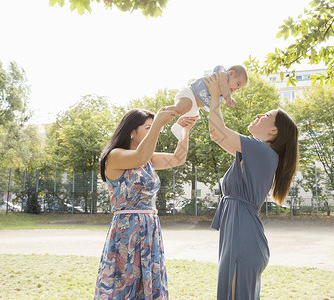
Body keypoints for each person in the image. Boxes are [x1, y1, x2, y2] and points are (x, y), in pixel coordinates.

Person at [204, 74, 299, 300]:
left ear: (274, 131)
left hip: (242, 236)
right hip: (239, 233)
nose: (258, 115)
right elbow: (216, 135)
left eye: (266, 115)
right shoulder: (257, 153)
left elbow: (219, 130)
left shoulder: (261, 150)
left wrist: (216, 94)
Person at [94, 107, 198, 299]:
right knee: (123, 283)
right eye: (147, 128)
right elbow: (139, 156)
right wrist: (158, 122)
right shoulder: (115, 155)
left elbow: (178, 159)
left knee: (148, 283)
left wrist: (185, 132)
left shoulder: (147, 159)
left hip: (150, 228)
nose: (152, 131)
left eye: (152, 127)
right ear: (132, 132)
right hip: (127, 230)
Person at [168, 65, 248, 140]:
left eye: (238, 88)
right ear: (231, 73)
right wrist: (228, 98)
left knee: (192, 118)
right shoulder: (222, 75)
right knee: (181, 108)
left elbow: (223, 92)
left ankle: (178, 127)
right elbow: (224, 88)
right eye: (237, 84)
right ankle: (163, 113)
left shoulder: (222, 90)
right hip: (190, 94)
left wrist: (231, 100)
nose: (235, 88)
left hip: (195, 105)